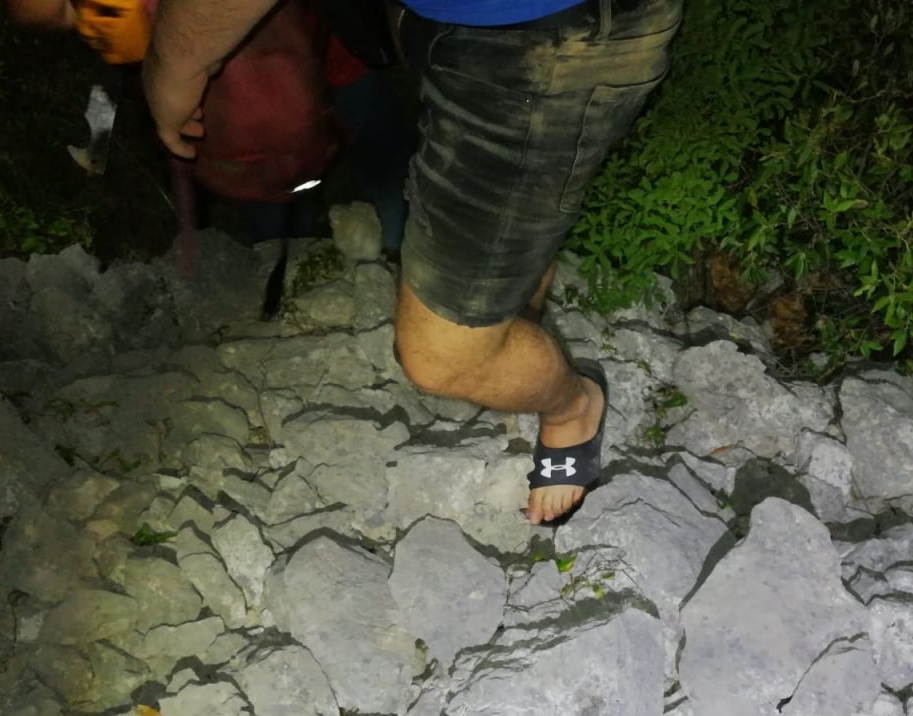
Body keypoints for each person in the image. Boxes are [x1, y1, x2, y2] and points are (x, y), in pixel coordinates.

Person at [144, 0, 683, 525]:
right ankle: (512, 325)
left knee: (440, 359)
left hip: (538, 36)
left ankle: (572, 407)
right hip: (489, 30)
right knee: (518, 212)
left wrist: (175, 67)